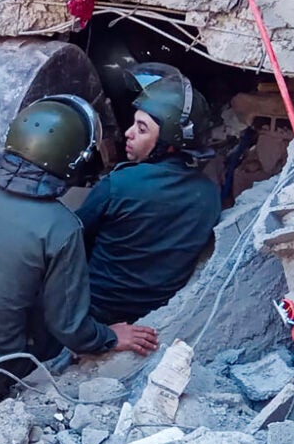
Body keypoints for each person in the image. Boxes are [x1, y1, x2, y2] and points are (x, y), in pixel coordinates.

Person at [0, 95, 159, 403]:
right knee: (46, 308)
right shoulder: (61, 227)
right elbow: (69, 327)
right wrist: (110, 337)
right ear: (74, 160)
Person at [76, 63, 221, 325]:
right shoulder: (210, 194)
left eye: (142, 129)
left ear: (167, 144)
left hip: (93, 308)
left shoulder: (120, 183)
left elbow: (73, 237)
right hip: (154, 315)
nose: (129, 134)